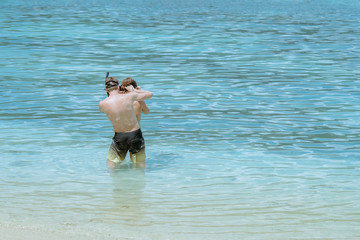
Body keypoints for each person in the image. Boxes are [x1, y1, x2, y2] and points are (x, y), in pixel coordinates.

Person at [99, 76, 153, 168]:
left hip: (119, 136)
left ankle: (114, 180)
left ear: (107, 90)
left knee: (111, 163)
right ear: (118, 87)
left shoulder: (102, 104)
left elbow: (104, 109)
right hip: (135, 134)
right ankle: (140, 180)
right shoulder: (129, 96)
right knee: (139, 163)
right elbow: (150, 94)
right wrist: (134, 90)